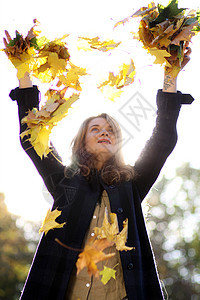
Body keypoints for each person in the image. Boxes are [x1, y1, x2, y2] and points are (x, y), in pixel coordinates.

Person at [8, 43, 194, 300]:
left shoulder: (132, 184)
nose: (104, 131)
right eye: (95, 129)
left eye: (111, 130)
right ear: (81, 141)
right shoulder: (65, 181)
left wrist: (171, 72)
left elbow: (162, 139)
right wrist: (23, 69)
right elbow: (33, 138)